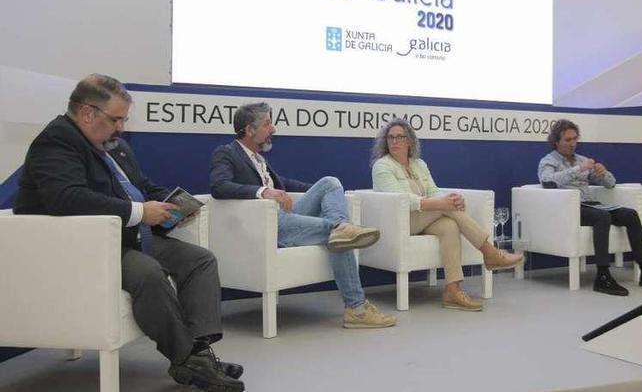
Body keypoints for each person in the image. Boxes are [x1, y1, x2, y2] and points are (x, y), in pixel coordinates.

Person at [14, 74, 244, 392]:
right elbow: (66, 198)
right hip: (82, 246)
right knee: (148, 273)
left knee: (200, 260)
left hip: (124, 238)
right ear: (86, 113)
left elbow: (140, 186)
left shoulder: (114, 146)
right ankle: (188, 360)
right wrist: (139, 213)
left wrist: (171, 205)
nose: (121, 127)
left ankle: (199, 355)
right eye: (116, 120)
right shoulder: (55, 142)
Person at [209, 102, 396, 328]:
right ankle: (356, 308)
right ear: (249, 130)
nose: (274, 129)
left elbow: (285, 184)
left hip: (285, 219)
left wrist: (326, 193)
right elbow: (219, 186)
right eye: (268, 124)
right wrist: (263, 191)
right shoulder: (227, 153)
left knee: (330, 183)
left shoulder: (258, 159)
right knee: (342, 237)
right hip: (267, 227)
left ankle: (340, 227)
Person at [371, 118, 524, 311]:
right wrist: (441, 203)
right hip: (399, 221)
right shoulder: (382, 166)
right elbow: (401, 199)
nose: (394, 141)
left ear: (409, 141)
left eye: (399, 137)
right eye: (390, 137)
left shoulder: (419, 164)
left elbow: (433, 190)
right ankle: (490, 252)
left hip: (422, 217)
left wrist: (449, 199)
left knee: (449, 225)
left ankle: (452, 290)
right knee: (446, 207)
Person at [539, 119, 642, 296]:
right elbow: (547, 181)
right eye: (568, 140)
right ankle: (603, 276)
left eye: (575, 139)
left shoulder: (582, 159)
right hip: (567, 208)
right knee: (602, 217)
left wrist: (604, 173)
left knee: (630, 214)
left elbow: (611, 184)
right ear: (556, 141)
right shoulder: (548, 161)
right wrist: (577, 169)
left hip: (590, 204)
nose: (573, 143)